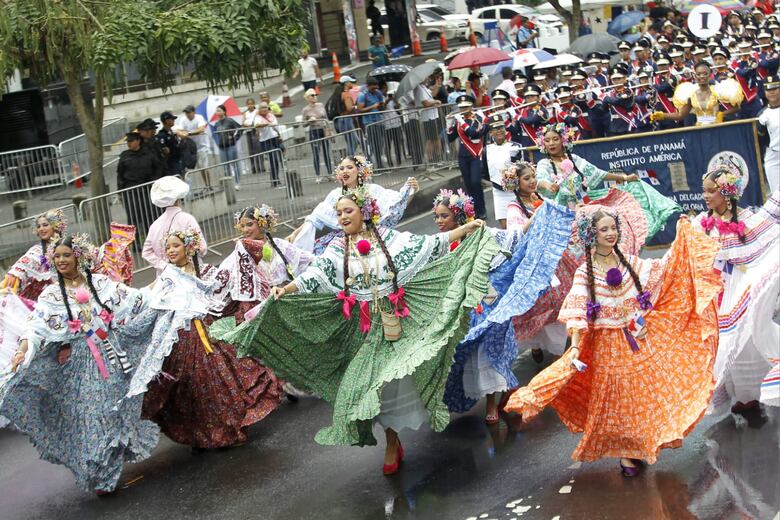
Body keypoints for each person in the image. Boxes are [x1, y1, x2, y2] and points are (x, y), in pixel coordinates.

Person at [210, 186, 498, 475]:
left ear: (365, 212)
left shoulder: (389, 238)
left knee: (399, 379)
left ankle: (397, 437)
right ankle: (392, 441)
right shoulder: (338, 248)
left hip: (397, 321)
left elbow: (427, 245)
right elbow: (317, 275)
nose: (343, 217)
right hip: (365, 330)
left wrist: (465, 230)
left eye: (348, 211)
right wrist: (285, 290)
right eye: (339, 213)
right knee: (373, 388)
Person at [505, 208, 722, 477]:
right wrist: (575, 347)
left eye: (613, 228)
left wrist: (683, 238)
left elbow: (664, 270)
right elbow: (577, 310)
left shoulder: (629, 262)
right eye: (604, 229)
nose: (611, 234)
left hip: (637, 339)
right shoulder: (585, 273)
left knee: (640, 396)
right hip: (607, 347)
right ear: (591, 235)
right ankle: (626, 454)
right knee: (619, 400)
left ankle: (639, 447)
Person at [3, 234, 162, 494]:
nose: (61, 260)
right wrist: (22, 350)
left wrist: (165, 282)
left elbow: (136, 299)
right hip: (83, 364)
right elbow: (35, 328)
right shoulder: (51, 295)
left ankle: (108, 466)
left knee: (112, 413)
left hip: (113, 358)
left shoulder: (99, 283)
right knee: (93, 415)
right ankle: (100, 474)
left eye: (66, 255)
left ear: (78, 257)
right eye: (57, 257)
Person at [132, 228, 284, 450]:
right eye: (168, 247)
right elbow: (146, 297)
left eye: (175, 246)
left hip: (208, 333)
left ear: (188, 247)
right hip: (181, 339)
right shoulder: (166, 277)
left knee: (219, 382)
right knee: (189, 389)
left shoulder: (207, 272)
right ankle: (199, 434)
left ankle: (227, 429)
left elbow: (227, 286)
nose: (171, 251)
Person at [436, 187, 571, 423]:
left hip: (489, 304)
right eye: (436, 216)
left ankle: (491, 404)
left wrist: (539, 216)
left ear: (458, 215)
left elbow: (514, 236)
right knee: (468, 354)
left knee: (489, 351)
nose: (439, 221)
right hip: (462, 309)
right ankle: (501, 390)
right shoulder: (440, 245)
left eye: (444, 216)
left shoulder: (483, 234)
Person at [694, 165, 779, 416]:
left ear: (726, 193)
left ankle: (748, 398)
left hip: (741, 293)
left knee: (745, 343)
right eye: (704, 191)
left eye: (711, 191)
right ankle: (740, 397)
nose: (706, 196)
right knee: (723, 345)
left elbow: (773, 242)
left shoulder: (748, 220)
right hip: (714, 297)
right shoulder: (701, 224)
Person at [286, 155, 418, 253]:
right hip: (343, 242)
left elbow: (397, 204)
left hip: (371, 238)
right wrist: (294, 234)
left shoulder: (372, 190)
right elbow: (314, 219)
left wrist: (411, 190)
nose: (345, 171)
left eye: (350, 167)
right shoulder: (335, 194)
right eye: (342, 168)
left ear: (360, 171)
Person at [535, 124, 638, 210]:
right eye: (547, 140)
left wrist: (625, 178)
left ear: (563, 140)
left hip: (585, 204)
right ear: (543, 144)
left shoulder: (574, 159)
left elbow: (598, 173)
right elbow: (540, 180)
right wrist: (548, 186)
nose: (551, 143)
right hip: (562, 212)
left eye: (555, 139)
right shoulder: (544, 164)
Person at [141, 175, 207, 276]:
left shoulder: (154, 226)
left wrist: (163, 265)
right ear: (178, 198)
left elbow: (146, 253)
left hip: (166, 276)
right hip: (191, 272)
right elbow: (202, 249)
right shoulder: (187, 219)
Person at [0, 209, 67, 300]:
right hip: (45, 299)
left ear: (55, 226)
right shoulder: (35, 252)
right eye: (38, 226)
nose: (41, 229)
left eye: (45, 225)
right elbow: (17, 272)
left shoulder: (69, 245)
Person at [653, 62, 742, 126]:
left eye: (705, 74)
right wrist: (662, 115)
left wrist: (722, 114)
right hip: (700, 129)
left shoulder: (718, 90)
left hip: (718, 127)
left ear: (710, 75)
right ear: (695, 76)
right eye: (699, 74)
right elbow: (681, 115)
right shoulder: (690, 93)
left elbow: (737, 107)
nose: (702, 77)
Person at [117, 131, 164, 245]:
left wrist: (153, 182)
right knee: (133, 217)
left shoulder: (148, 154)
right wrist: (120, 191)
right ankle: (135, 242)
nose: (129, 144)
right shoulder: (125, 155)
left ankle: (152, 240)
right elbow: (120, 174)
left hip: (147, 188)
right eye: (128, 141)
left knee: (150, 215)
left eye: (131, 141)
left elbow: (157, 168)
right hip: (131, 189)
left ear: (138, 141)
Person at [447, 95, 488, 219]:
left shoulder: (478, 118)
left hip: (475, 154)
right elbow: (450, 138)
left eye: (465, 107)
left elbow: (474, 134)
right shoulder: (459, 120)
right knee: (468, 184)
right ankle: (472, 211)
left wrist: (462, 122)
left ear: (471, 106)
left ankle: (481, 209)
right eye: (461, 107)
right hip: (463, 156)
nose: (463, 109)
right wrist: (449, 125)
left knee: (476, 182)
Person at [483, 114, 523, 228]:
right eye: (495, 129)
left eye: (501, 127)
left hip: (515, 191)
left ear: (505, 130)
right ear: (491, 132)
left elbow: (523, 168)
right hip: (498, 192)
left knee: (519, 224)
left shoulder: (515, 146)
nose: (499, 131)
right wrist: (497, 182)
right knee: (505, 226)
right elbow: (485, 172)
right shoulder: (486, 150)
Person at [174, 105, 211, 188]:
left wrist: (188, 133)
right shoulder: (183, 119)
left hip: (201, 146)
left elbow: (201, 129)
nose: (187, 114)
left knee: (203, 167)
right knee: (187, 167)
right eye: (186, 112)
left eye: (189, 112)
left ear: (194, 112)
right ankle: (189, 188)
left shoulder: (199, 118)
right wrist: (182, 133)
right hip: (190, 148)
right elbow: (178, 130)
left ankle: (208, 185)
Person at [302, 88, 332, 182]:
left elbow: (326, 118)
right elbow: (303, 124)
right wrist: (309, 121)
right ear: (307, 98)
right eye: (312, 95)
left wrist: (329, 129)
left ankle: (330, 173)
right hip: (314, 131)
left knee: (326, 152)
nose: (315, 97)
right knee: (316, 154)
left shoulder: (321, 105)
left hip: (323, 129)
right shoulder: (305, 109)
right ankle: (318, 175)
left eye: (315, 95)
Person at [758, 74, 780, 193]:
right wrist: (761, 128)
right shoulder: (762, 114)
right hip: (773, 155)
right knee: (776, 195)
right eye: (768, 89)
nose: (771, 92)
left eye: (775, 88)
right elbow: (759, 142)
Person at [357, 77, 386, 169]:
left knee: (380, 143)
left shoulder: (378, 93)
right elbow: (360, 109)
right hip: (369, 123)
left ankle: (380, 164)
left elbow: (381, 106)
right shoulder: (363, 95)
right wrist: (372, 106)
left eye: (376, 87)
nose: (375, 89)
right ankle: (372, 165)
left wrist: (382, 105)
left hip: (379, 121)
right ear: (368, 86)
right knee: (373, 144)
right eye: (373, 88)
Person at [415, 74, 444, 165]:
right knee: (430, 139)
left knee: (435, 138)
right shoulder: (419, 88)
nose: (427, 79)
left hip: (432, 116)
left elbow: (432, 94)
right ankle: (431, 159)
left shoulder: (423, 87)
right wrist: (436, 101)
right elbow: (426, 103)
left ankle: (436, 158)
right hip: (428, 118)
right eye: (425, 77)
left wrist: (437, 85)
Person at [212, 104, 243, 189]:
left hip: (231, 145)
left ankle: (237, 183)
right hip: (222, 146)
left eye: (219, 110)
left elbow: (240, 129)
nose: (217, 112)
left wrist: (235, 138)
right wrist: (218, 142)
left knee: (234, 164)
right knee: (225, 166)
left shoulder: (230, 120)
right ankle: (229, 184)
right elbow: (215, 134)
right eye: (216, 111)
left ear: (224, 112)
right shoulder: (216, 124)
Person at [255, 101, 283, 188]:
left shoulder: (271, 115)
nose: (265, 109)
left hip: (275, 138)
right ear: (259, 109)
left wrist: (279, 135)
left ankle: (276, 178)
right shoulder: (257, 117)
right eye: (263, 107)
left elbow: (276, 125)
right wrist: (266, 124)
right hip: (265, 140)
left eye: (266, 107)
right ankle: (274, 180)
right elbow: (257, 125)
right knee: (273, 158)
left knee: (276, 160)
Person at [334, 76, 359, 156]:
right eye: (350, 82)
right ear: (346, 83)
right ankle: (349, 159)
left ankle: (350, 158)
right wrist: (355, 107)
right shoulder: (346, 94)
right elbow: (349, 108)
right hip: (347, 120)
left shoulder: (339, 93)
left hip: (342, 120)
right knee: (353, 142)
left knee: (351, 142)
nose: (352, 84)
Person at [156, 111, 183, 176]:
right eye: (172, 119)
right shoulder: (162, 135)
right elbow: (164, 152)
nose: (174, 120)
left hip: (177, 161)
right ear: (166, 121)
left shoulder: (171, 133)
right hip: (170, 165)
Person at [242, 98, 264, 176]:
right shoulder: (245, 113)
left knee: (258, 150)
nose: (250, 105)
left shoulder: (257, 111)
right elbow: (243, 123)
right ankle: (253, 167)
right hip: (248, 132)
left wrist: (255, 128)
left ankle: (261, 167)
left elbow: (258, 121)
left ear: (254, 104)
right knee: (251, 151)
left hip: (255, 131)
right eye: (248, 104)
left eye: (251, 104)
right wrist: (246, 125)